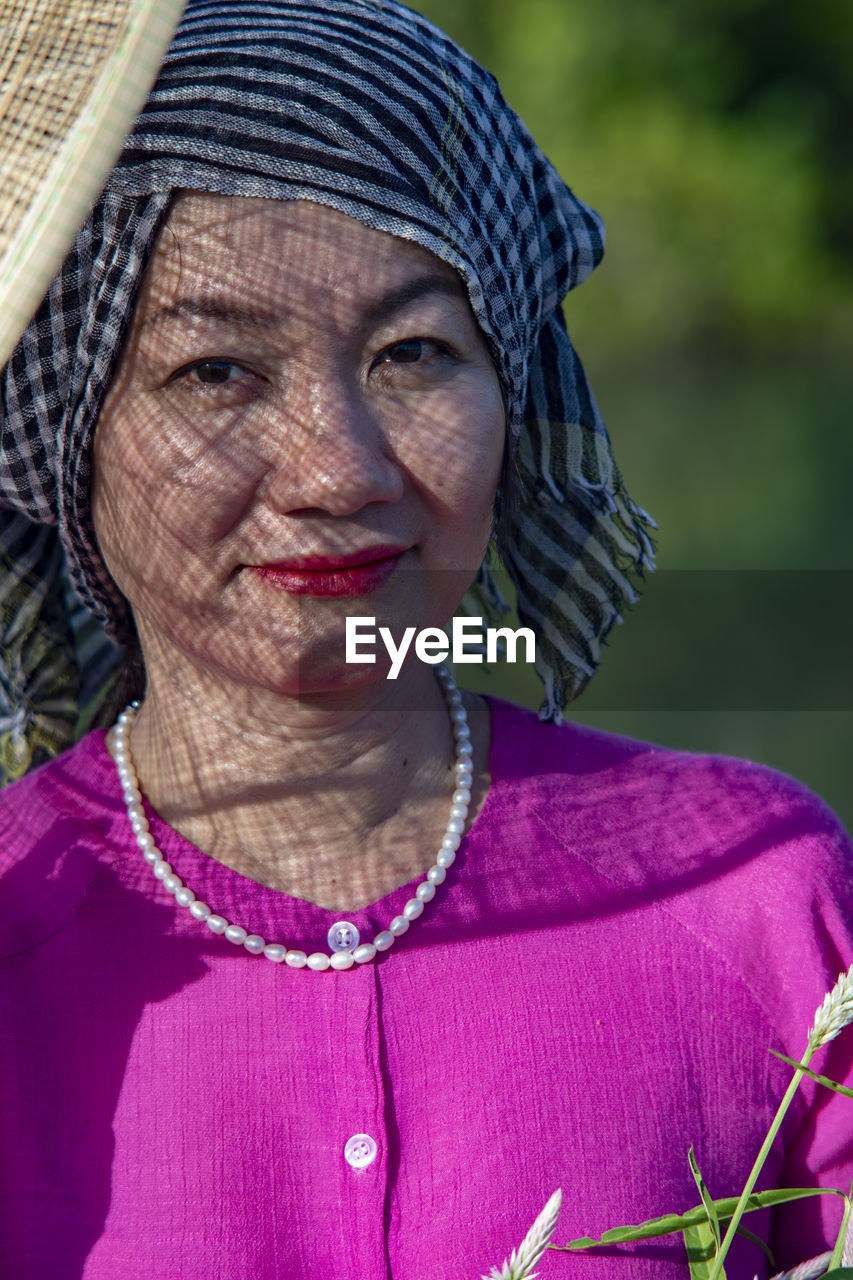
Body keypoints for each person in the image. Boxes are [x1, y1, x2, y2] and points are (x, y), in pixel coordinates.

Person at [0, 2, 851, 1277]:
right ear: (70, 435)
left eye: (412, 352)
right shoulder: (17, 929)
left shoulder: (755, 894)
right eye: (216, 371)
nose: (339, 469)